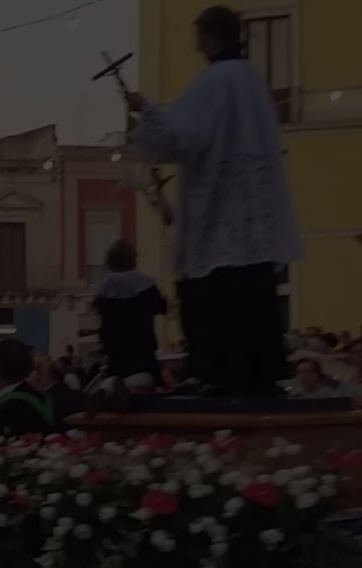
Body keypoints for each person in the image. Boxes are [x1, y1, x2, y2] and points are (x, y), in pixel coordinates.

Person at [128, 5, 299, 397]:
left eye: (199, 36)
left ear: (211, 35)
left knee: (215, 297)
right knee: (255, 294)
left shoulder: (213, 82)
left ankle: (220, 374)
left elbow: (179, 139)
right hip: (254, 213)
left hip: (219, 211)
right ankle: (262, 373)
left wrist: (146, 110)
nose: (196, 45)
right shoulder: (254, 80)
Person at [93, 240, 168, 392]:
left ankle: (111, 387)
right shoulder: (146, 284)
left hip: (116, 356)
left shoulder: (104, 288)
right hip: (142, 353)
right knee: (148, 382)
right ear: (133, 259)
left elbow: (101, 315)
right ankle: (127, 384)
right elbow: (161, 307)